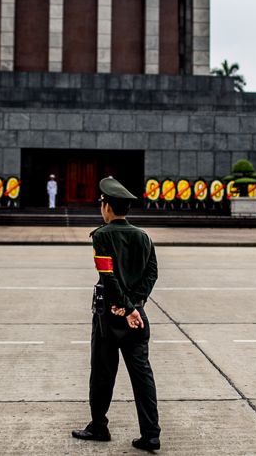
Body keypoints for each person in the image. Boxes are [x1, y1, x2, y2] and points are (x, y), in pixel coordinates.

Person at [72, 178, 161, 452]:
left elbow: (107, 277)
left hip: (108, 320)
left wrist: (126, 307)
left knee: (102, 373)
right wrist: (135, 305)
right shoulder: (143, 236)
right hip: (137, 318)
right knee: (142, 375)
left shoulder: (102, 236)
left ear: (107, 206)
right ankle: (151, 435)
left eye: (102, 204)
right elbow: (152, 274)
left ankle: (99, 427)